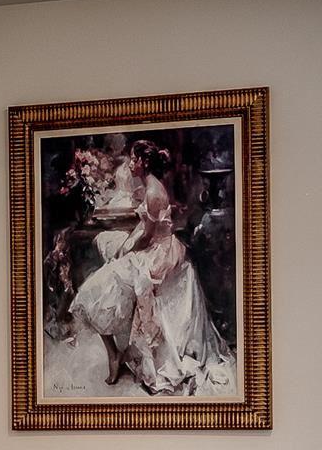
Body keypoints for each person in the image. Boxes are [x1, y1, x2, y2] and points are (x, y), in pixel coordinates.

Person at [69, 141, 230, 393]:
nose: (130, 164)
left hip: (160, 253)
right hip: (153, 246)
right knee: (106, 272)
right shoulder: (148, 188)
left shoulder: (153, 192)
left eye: (133, 159)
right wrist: (126, 245)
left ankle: (118, 352)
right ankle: (116, 350)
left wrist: (128, 249)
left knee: (105, 283)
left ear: (144, 162)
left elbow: (147, 237)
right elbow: (144, 229)